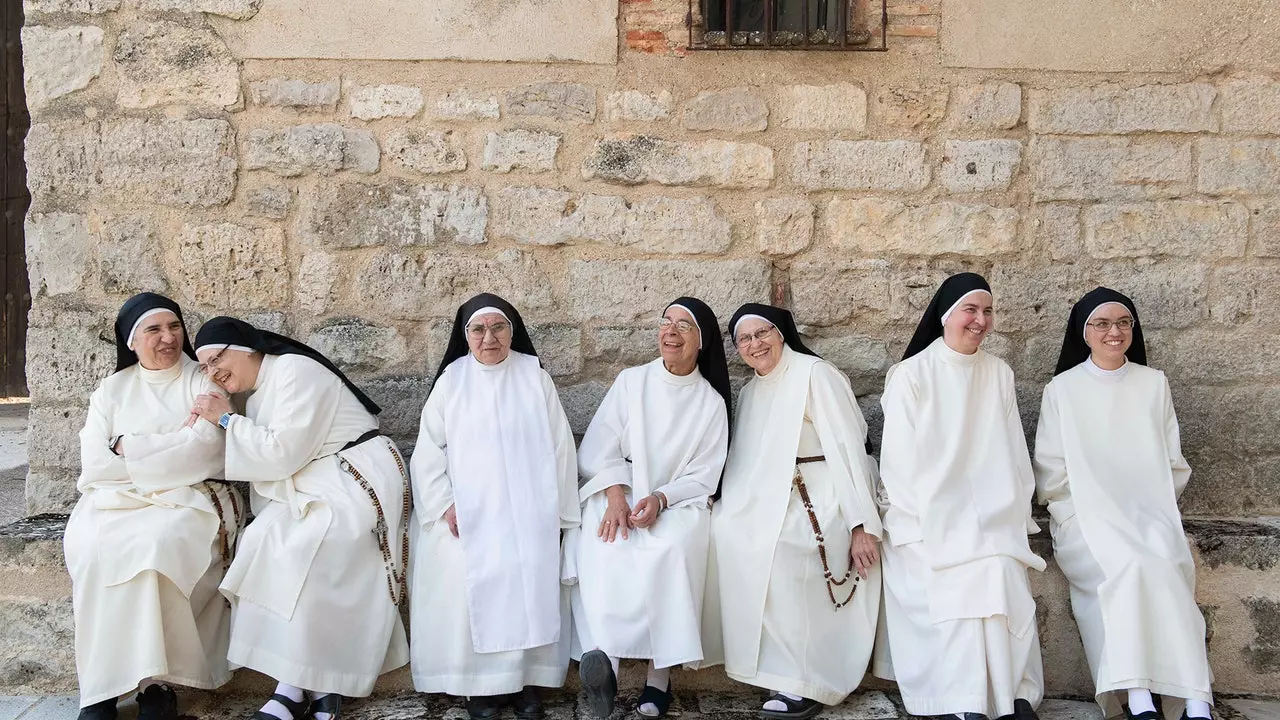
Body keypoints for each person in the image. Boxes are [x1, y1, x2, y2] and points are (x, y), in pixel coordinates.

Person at [191, 317, 410, 720]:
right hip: (316, 483)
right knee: (263, 542)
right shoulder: (255, 392)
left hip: (354, 476)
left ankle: (324, 684)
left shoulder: (295, 369)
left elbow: (281, 454)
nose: (213, 371)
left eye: (217, 358)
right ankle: (290, 683)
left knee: (312, 546)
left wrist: (225, 419)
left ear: (247, 348)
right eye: (204, 365)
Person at [1033, 288, 1213, 720]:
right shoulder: (1062, 389)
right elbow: (1052, 472)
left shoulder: (1154, 385)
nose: (1114, 332)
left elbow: (1173, 463)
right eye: (1102, 323)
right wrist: (1081, 513)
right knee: (1129, 565)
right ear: (1084, 332)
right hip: (1086, 520)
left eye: (1123, 323)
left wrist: (1153, 511)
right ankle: (1137, 696)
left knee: (1164, 565)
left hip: (1149, 513)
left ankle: (1195, 700)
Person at [699, 303, 883, 720]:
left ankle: (805, 679)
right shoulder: (749, 392)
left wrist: (860, 524)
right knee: (724, 532)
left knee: (784, 548)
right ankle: (768, 666)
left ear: (781, 333)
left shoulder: (815, 375)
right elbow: (745, 460)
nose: (754, 344)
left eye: (762, 333)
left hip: (824, 493)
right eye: (744, 339)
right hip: (765, 498)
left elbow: (848, 450)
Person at [873, 272, 1044, 720]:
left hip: (991, 514)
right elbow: (898, 465)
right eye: (971, 309)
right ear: (946, 315)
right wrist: (944, 520)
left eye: (987, 311)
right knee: (963, 571)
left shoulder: (998, 373)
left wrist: (1011, 513)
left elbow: (1013, 454)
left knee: (999, 564)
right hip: (922, 516)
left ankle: (1012, 695)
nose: (980, 320)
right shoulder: (910, 375)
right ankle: (958, 699)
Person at [66, 292, 241, 720]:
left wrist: (129, 447)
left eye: (174, 327)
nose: (168, 338)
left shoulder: (202, 380)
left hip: (192, 499)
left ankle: (156, 685)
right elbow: (94, 464)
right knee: (93, 552)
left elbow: (204, 451)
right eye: (154, 330)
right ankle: (100, 689)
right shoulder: (111, 390)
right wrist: (165, 451)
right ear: (131, 341)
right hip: (111, 501)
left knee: (155, 548)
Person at [408, 293, 579, 720]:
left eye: (499, 328)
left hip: (528, 508)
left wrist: (558, 515)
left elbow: (560, 447)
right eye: (479, 329)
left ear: (512, 331)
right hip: (468, 511)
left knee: (528, 581)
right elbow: (428, 451)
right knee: (467, 575)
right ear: (465, 336)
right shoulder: (453, 379)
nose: (489, 338)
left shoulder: (533, 374)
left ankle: (524, 684)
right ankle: (481, 689)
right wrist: (445, 504)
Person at [570, 298, 732, 720]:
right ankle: (607, 663)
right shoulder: (632, 382)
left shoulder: (710, 403)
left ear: (702, 342)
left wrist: (661, 499)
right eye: (665, 323)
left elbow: (704, 474)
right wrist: (616, 495)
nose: (670, 331)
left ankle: (660, 675)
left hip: (678, 502)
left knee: (670, 549)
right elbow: (598, 447)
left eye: (683, 325)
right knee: (609, 543)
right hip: (619, 492)